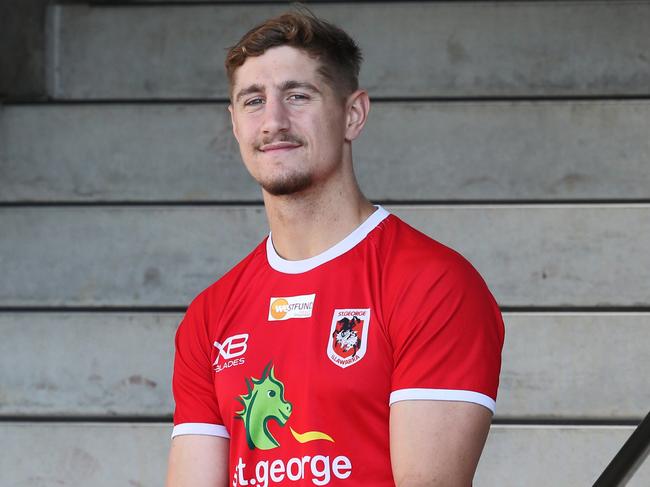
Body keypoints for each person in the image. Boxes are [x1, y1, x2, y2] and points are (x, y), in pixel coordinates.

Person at [165, 10, 504, 487]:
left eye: (298, 96)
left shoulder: (433, 284)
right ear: (235, 123)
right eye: (253, 101)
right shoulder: (209, 315)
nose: (273, 122)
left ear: (353, 114)